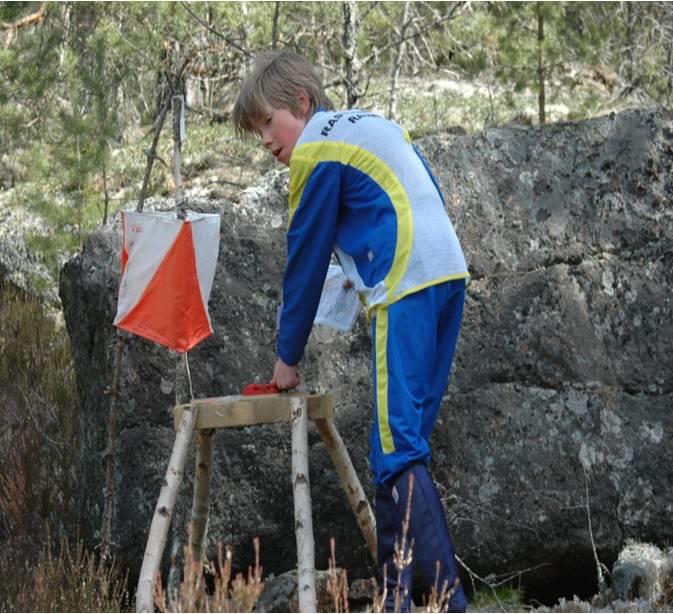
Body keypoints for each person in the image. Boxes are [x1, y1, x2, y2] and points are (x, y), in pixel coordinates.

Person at [232, 50, 470, 613]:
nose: (266, 141)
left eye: (268, 121)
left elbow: (306, 259)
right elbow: (410, 193)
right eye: (256, 130)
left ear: (304, 104)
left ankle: (451, 603)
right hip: (447, 276)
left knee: (396, 453)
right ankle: (395, 599)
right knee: (400, 452)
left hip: (405, 286)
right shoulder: (371, 125)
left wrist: (286, 359)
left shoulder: (316, 148)